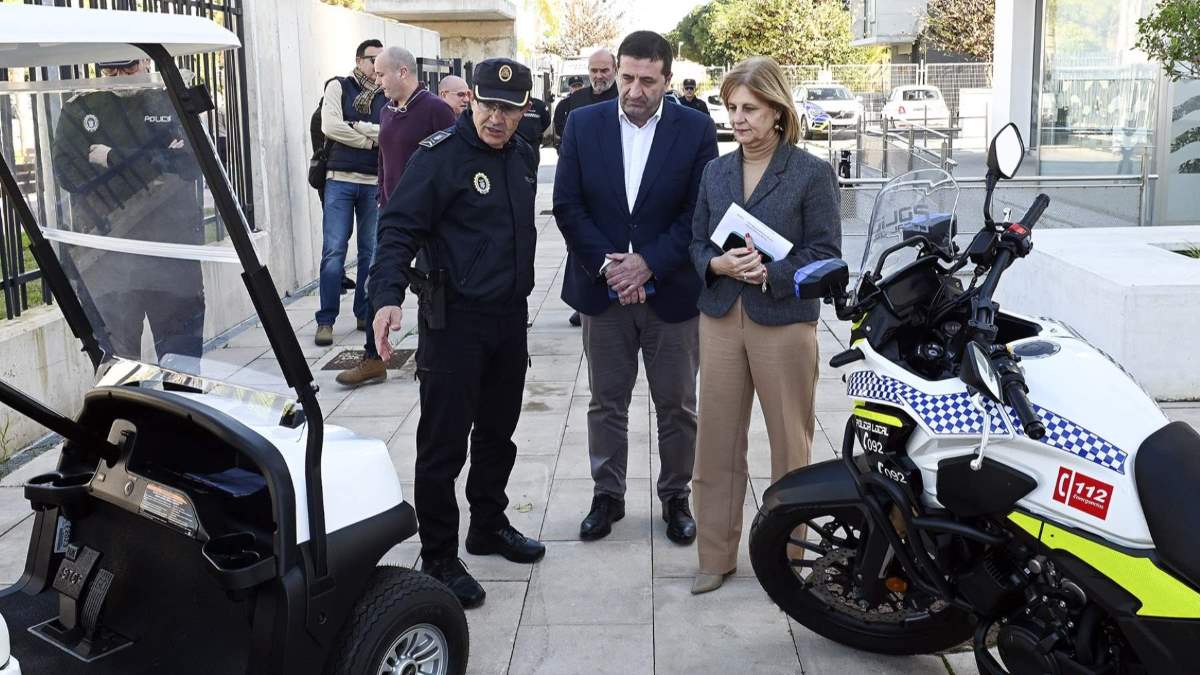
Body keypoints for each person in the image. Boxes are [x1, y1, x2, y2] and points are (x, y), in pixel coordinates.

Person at [370, 58, 545, 610]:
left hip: (508, 319)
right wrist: (387, 297)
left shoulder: (522, 154)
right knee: (442, 446)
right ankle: (440, 555)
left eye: (509, 109)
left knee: (498, 433)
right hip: (454, 323)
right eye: (488, 105)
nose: (496, 118)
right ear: (471, 98)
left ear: (524, 110)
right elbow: (398, 228)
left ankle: (488, 525)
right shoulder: (439, 156)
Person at [554, 31, 719, 544]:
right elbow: (567, 205)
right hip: (602, 293)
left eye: (648, 81)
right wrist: (612, 269)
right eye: (627, 77)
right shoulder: (583, 124)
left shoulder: (695, 128)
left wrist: (649, 264)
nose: (634, 90)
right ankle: (608, 495)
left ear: (667, 80)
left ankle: (676, 497)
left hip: (671, 293)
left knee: (678, 406)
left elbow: (699, 211)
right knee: (606, 404)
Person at [687, 57, 842, 594]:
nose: (738, 119)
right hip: (720, 318)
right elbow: (696, 242)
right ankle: (715, 556)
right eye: (732, 108)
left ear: (777, 110)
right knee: (716, 442)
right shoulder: (715, 171)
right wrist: (716, 263)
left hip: (784, 323)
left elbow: (826, 254)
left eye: (750, 108)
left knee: (789, 447)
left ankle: (792, 561)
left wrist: (771, 273)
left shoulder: (811, 172)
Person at [51, 58, 205, 362]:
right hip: (109, 256)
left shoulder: (170, 99)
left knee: (182, 362)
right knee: (117, 365)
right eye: (110, 69)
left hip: (170, 248)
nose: (119, 75)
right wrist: (154, 161)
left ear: (146, 61)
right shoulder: (80, 108)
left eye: (128, 67)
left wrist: (112, 158)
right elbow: (68, 173)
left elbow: (192, 162)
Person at [333, 46, 456, 387]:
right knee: (380, 282)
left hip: (430, 220)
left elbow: (454, 160)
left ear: (402, 72)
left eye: (381, 74)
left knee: (434, 287)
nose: (376, 82)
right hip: (391, 216)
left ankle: (437, 353)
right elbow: (384, 158)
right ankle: (373, 358)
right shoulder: (386, 110)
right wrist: (381, 196)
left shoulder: (435, 110)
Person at [314, 39, 385, 354]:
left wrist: (356, 125)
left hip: (374, 182)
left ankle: (363, 313)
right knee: (333, 252)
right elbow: (331, 127)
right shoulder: (338, 87)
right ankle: (326, 320)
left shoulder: (386, 93)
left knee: (370, 252)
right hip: (339, 180)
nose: (378, 65)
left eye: (382, 59)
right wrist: (369, 139)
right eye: (373, 59)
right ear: (359, 60)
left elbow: (389, 130)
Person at [552, 49, 618, 144]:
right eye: (594, 71)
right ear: (588, 70)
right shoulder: (577, 98)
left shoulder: (624, 99)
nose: (599, 76)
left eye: (604, 70)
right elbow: (566, 132)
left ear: (615, 70)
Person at [516, 95, 551, 168]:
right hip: (517, 141)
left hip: (534, 142)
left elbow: (547, 121)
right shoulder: (516, 103)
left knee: (533, 164)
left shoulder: (540, 105)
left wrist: (538, 131)